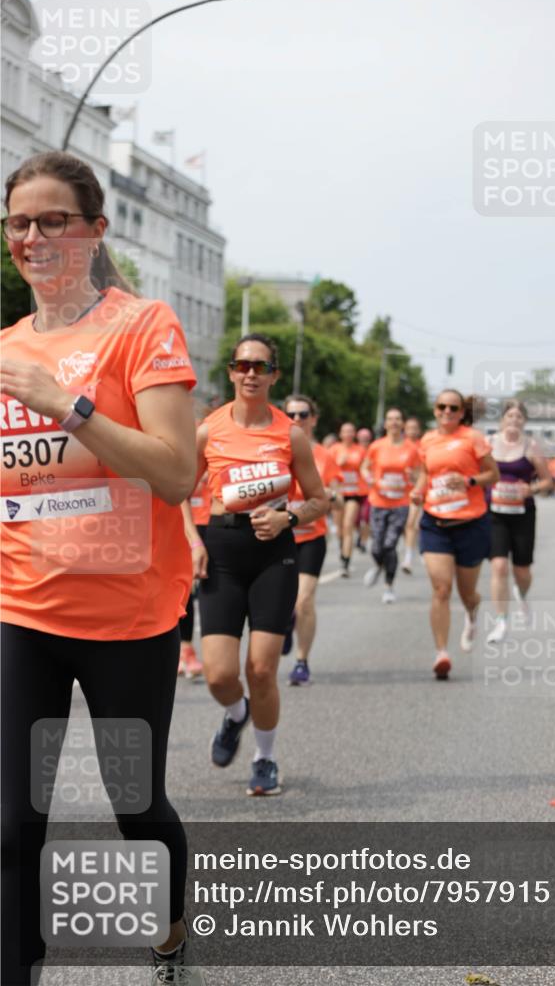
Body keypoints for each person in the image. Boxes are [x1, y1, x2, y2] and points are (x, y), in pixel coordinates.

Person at [0, 152, 202, 984]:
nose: (35, 237)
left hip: (129, 617)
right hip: (22, 611)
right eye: (20, 222)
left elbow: (176, 473)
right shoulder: (6, 346)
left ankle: (171, 923)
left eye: (55, 220)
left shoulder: (142, 326)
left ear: (94, 231)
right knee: (13, 824)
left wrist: (70, 407)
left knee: (135, 807)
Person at [181, 335, 328, 796]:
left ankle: (265, 759)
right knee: (220, 675)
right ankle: (236, 715)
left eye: (260, 367)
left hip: (273, 554)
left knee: (262, 670)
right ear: (230, 372)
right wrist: (192, 542)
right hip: (221, 551)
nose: (250, 374)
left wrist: (289, 516)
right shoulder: (209, 429)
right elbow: (179, 490)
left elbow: (321, 499)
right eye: (242, 365)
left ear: (273, 376)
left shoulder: (290, 434)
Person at [411, 390, 499, 679]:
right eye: (442, 407)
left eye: (453, 407)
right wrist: (418, 490)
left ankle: (473, 612)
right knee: (441, 588)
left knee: (467, 592)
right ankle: (441, 654)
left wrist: (468, 480)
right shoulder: (427, 440)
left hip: (471, 523)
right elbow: (425, 473)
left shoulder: (472, 438)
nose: (447, 411)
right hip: (435, 522)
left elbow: (493, 475)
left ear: (461, 412)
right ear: (435, 410)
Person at [283, 394, 343, 685]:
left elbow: (339, 497)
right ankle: (284, 624)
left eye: (302, 414)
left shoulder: (323, 455)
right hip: (278, 538)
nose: (296, 420)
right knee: (283, 602)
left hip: (311, 537)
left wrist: (331, 496)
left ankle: (301, 662)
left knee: (304, 600)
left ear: (313, 419)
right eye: (290, 414)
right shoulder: (274, 452)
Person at [485, 400, 553, 643]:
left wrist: (531, 488)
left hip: (523, 514)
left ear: (524, 421)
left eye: (519, 417)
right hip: (495, 513)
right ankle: (501, 621)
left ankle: (522, 594)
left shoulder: (531, 446)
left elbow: (548, 481)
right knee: (499, 566)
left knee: (522, 570)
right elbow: (477, 471)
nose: (514, 420)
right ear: (502, 419)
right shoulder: (489, 443)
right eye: (510, 416)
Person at [361, 408, 421, 603]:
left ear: (403, 423)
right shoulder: (377, 446)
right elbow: (364, 467)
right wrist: (368, 477)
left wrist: (415, 480)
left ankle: (389, 586)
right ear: (385, 424)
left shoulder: (411, 449)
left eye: (397, 419)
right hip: (378, 502)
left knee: (390, 545)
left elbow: (421, 474)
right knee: (376, 547)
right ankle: (378, 565)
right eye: (390, 419)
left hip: (400, 504)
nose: (394, 422)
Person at [178, 468, 210, 679]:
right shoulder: (192, 438)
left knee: (211, 589)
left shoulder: (218, 437)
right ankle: (186, 651)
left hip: (218, 524)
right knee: (187, 587)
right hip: (189, 524)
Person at [329, 422, 369, 577]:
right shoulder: (334, 450)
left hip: (354, 493)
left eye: (351, 431)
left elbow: (365, 468)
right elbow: (328, 470)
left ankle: (346, 562)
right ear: (340, 434)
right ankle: (342, 550)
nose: (348, 434)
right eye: (345, 431)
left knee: (348, 526)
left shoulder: (360, 450)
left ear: (355, 434)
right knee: (339, 529)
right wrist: (339, 463)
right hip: (338, 493)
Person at [401, 416, 423, 573]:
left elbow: (426, 471)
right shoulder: (399, 446)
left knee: (412, 523)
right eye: (409, 428)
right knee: (409, 525)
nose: (412, 431)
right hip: (400, 493)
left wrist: (414, 475)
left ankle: (408, 558)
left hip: (419, 491)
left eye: (415, 428)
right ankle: (416, 549)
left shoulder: (423, 447)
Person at [355, 427, 373, 552]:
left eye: (366, 439)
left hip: (369, 491)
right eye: (362, 439)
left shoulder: (373, 450)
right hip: (356, 490)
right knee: (355, 520)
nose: (364, 441)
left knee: (365, 517)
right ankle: (360, 535)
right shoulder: (354, 450)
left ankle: (364, 541)